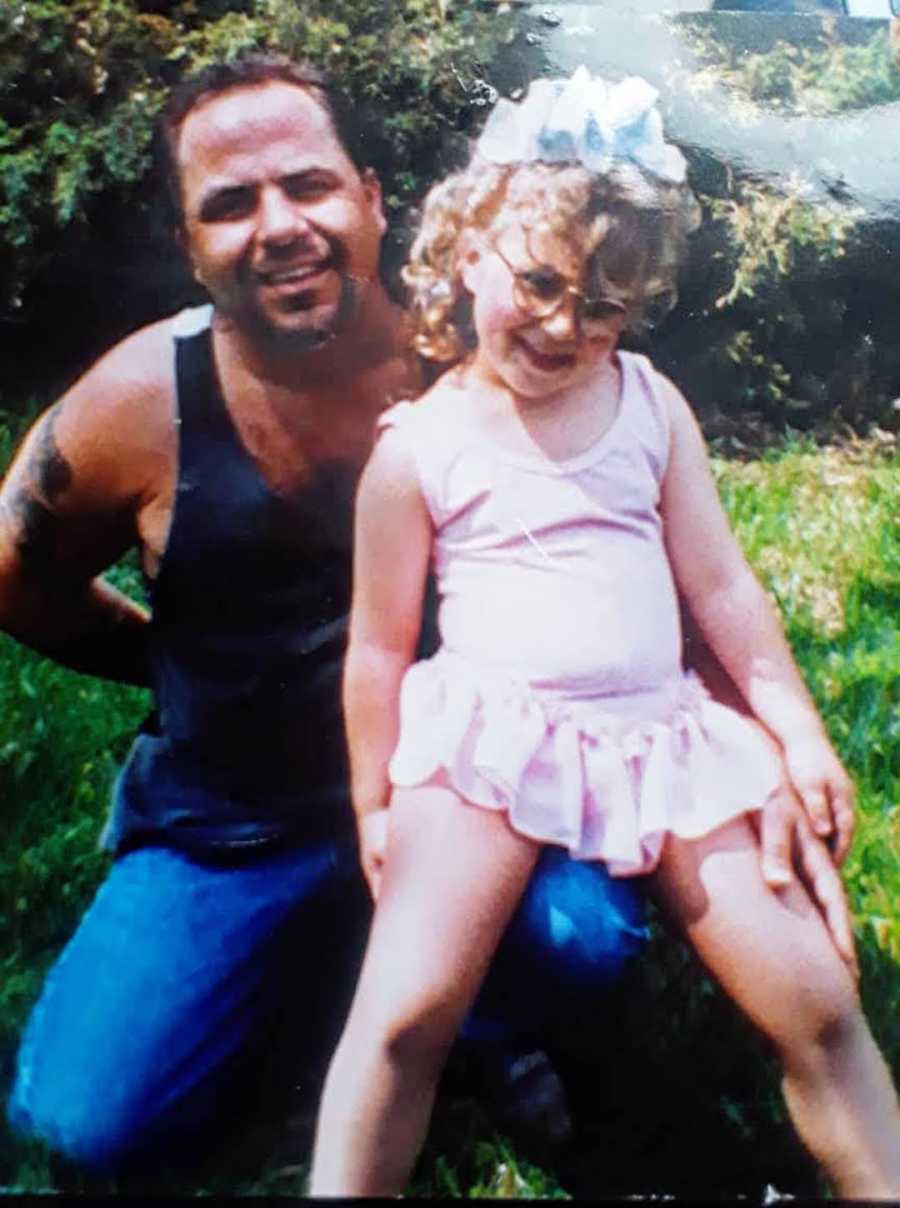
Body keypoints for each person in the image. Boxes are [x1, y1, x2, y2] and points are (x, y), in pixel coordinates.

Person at [0, 55, 651, 1178]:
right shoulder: (135, 404)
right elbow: (14, 574)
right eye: (230, 203)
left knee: (584, 942)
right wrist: (166, 668)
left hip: (468, 794)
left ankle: (473, 1023)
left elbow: (628, 545)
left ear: (373, 199)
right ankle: (337, 966)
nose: (280, 226)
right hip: (230, 822)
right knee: (86, 1121)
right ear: (187, 245)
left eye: (308, 185)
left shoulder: (484, 350)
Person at [308, 68, 900, 1198]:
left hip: (664, 737)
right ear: (470, 244)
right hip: (491, 741)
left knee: (818, 997)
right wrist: (377, 801)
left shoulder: (648, 406)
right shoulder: (419, 448)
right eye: (538, 280)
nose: (562, 324)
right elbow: (379, 649)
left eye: (602, 305)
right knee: (405, 1015)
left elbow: (723, 595)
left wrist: (800, 735)